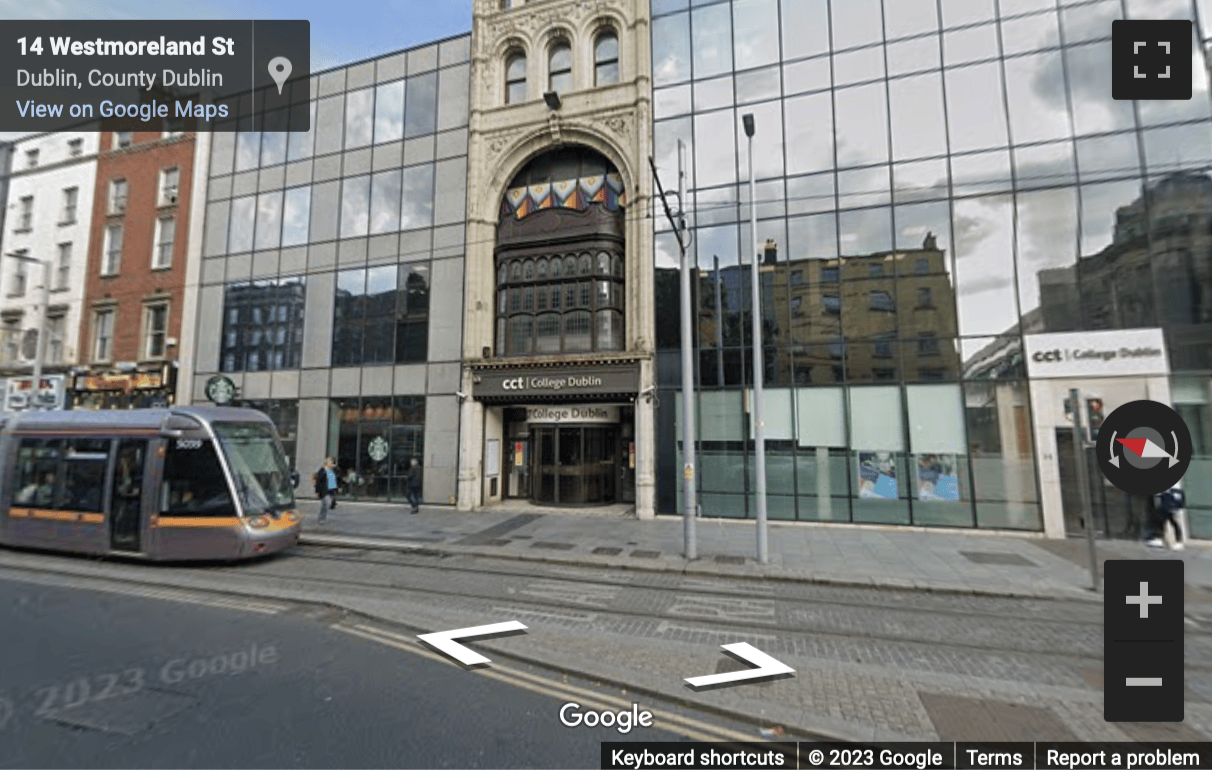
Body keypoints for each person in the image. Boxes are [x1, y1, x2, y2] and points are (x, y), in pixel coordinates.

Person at [1147, 485, 1186, 551]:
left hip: (1172, 508)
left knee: (1174, 524)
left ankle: (1179, 541)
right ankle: (1160, 539)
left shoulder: (1176, 489)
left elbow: (1180, 498)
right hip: (1165, 508)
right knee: (1161, 523)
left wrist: (1179, 507)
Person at [314, 457, 339, 525]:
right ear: (328, 463)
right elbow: (318, 482)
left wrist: (337, 488)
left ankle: (322, 518)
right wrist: (317, 492)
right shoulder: (322, 471)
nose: (333, 465)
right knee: (325, 505)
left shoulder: (332, 471)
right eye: (332, 464)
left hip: (332, 490)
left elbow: (335, 480)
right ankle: (321, 519)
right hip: (325, 491)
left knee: (327, 505)